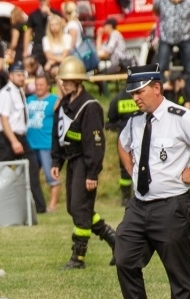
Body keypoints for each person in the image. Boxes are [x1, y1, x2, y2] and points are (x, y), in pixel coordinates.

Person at [109, 64, 190, 299]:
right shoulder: (135, 121)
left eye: (140, 91)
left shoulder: (180, 118)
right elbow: (122, 144)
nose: (136, 98)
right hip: (139, 205)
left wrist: (188, 173)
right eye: (132, 93)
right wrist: (133, 173)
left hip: (172, 205)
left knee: (179, 271)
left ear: (157, 87)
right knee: (124, 259)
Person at [50, 56, 116, 269]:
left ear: (79, 82)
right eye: (63, 80)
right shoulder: (63, 105)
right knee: (74, 207)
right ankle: (114, 240)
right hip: (71, 160)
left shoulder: (90, 106)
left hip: (84, 163)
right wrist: (56, 162)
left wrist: (92, 174)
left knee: (79, 208)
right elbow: (58, 135)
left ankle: (78, 257)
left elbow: (95, 143)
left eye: (68, 80)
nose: (64, 83)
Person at [0, 62, 46, 214]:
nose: (21, 78)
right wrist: (13, 141)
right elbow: (4, 119)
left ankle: (40, 207)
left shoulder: (20, 91)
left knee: (32, 169)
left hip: (21, 137)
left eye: (23, 75)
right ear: (10, 76)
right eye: (18, 75)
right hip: (8, 137)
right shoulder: (6, 93)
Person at [27, 75, 61, 212]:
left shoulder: (53, 100)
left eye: (41, 84)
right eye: (37, 84)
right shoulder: (28, 100)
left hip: (46, 145)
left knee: (51, 176)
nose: (39, 87)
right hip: (30, 145)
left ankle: (52, 205)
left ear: (48, 86)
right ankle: (36, 204)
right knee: (31, 177)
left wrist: (59, 82)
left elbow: (63, 100)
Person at [106, 85, 139, 204]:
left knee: (125, 168)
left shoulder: (118, 98)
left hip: (124, 139)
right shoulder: (142, 96)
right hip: (141, 137)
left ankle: (125, 198)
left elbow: (110, 120)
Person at [153, 0, 190, 104]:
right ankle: (162, 95)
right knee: (160, 67)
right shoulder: (161, 1)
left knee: (189, 68)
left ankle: (188, 97)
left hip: (185, 37)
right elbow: (156, 11)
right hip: (166, 37)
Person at [25, 0, 58, 67]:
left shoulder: (55, 13)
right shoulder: (33, 14)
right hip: (38, 45)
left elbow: (61, 24)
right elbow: (28, 32)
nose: (43, 2)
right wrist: (25, 49)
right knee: (36, 67)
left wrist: (49, 13)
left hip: (52, 45)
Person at [42, 15, 72, 81]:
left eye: (56, 24)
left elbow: (64, 57)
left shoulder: (67, 37)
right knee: (57, 71)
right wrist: (53, 60)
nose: (54, 27)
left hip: (65, 64)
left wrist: (51, 61)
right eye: (52, 25)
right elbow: (48, 56)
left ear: (60, 25)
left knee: (59, 71)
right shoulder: (46, 39)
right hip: (53, 66)